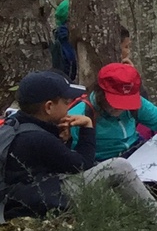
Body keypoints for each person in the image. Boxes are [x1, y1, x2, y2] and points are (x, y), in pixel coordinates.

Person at [61, 64, 157, 219]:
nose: (121, 109)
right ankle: (156, 219)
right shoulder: (79, 114)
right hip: (105, 163)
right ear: (100, 92)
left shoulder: (137, 106)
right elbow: (74, 159)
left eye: (126, 103)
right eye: (116, 102)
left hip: (138, 153)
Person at [2, 70, 98, 217]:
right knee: (119, 167)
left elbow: (57, 161)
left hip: (17, 195)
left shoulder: (16, 122)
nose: (69, 107)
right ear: (48, 107)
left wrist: (64, 139)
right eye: (66, 102)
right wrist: (87, 127)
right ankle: (146, 214)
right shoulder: (40, 139)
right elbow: (83, 166)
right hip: (29, 201)